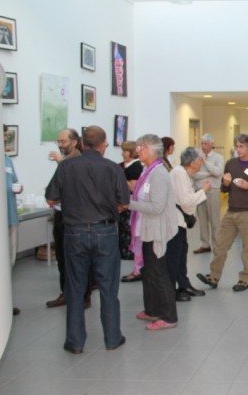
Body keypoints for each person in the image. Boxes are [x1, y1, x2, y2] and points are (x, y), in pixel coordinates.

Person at [45, 125, 129, 353]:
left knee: (75, 286)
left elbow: (50, 198)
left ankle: (75, 341)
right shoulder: (113, 168)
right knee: (108, 287)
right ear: (103, 145)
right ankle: (112, 338)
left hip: (74, 232)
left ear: (82, 144)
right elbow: (124, 203)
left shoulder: (66, 167)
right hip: (105, 232)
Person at [197, 134, 248, 292]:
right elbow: (225, 189)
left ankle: (244, 279)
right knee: (221, 245)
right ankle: (214, 276)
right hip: (231, 211)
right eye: (237, 146)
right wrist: (225, 183)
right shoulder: (230, 164)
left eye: (241, 146)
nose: (238, 149)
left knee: (247, 248)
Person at [128, 134, 179, 331]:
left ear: (153, 150)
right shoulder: (146, 171)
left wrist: (129, 204)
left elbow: (157, 207)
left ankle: (168, 316)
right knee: (148, 272)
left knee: (158, 273)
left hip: (155, 231)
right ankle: (152, 309)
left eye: (142, 147)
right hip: (145, 229)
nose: (138, 150)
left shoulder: (159, 174)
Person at [45, 128, 92, 309]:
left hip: (72, 217)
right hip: (64, 215)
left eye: (63, 141)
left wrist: (60, 163)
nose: (60, 145)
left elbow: (63, 191)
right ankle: (71, 293)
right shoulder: (67, 163)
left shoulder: (74, 163)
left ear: (74, 142)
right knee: (64, 258)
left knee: (75, 258)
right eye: (58, 141)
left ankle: (78, 295)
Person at [169, 147, 210, 302]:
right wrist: (203, 191)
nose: (201, 163)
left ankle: (183, 285)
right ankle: (172, 290)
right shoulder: (179, 174)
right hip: (175, 222)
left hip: (179, 222)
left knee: (180, 255)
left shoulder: (183, 173)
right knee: (174, 257)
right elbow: (186, 201)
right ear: (192, 162)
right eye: (200, 160)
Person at [192, 133, 224, 254]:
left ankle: (217, 244)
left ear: (212, 144)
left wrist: (205, 162)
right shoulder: (197, 157)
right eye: (202, 143)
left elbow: (217, 172)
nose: (204, 146)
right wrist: (207, 174)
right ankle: (205, 244)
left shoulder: (218, 158)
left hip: (213, 192)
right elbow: (194, 174)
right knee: (202, 220)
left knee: (214, 220)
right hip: (200, 192)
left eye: (206, 144)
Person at [4, 125, 23, 315]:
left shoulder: (7, 160)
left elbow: (14, 181)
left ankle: (5, 303)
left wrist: (18, 187)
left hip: (10, 217)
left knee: (9, 261)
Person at [119, 141, 143, 276]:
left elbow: (133, 187)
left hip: (131, 205)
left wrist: (120, 179)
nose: (123, 154)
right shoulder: (133, 166)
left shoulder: (134, 168)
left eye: (125, 151)